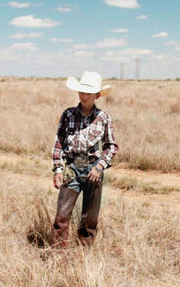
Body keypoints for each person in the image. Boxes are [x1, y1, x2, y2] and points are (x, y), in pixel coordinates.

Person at [51, 71, 118, 248]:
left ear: (97, 95)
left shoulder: (103, 118)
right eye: (81, 92)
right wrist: (58, 169)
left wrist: (99, 167)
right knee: (61, 217)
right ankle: (58, 256)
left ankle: (84, 255)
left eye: (88, 93)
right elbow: (59, 142)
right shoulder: (68, 115)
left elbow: (111, 146)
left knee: (89, 220)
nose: (84, 96)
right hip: (71, 168)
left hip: (93, 169)